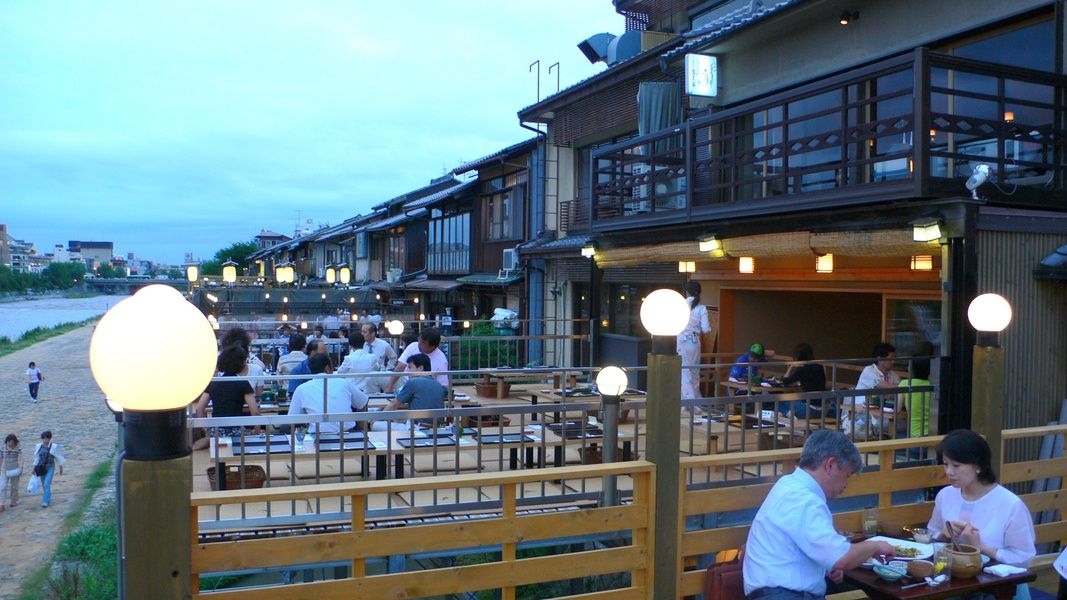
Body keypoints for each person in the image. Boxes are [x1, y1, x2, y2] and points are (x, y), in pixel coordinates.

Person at [744, 429, 895, 599]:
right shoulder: (805, 500)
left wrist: (825, 569)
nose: (845, 484)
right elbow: (841, 557)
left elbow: (805, 549)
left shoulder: (789, 484)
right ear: (830, 465)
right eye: (846, 476)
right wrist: (875, 545)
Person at [928, 430, 1035, 567]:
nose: (949, 471)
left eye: (956, 465)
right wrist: (942, 536)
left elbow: (1024, 557)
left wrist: (980, 548)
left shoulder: (1011, 504)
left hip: (996, 583)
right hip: (951, 573)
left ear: (978, 466)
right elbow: (932, 532)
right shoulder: (945, 495)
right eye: (945, 464)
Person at [192, 345, 262, 450]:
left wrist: (207, 430)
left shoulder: (215, 382)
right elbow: (255, 412)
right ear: (241, 363)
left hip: (216, 431)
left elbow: (199, 409)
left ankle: (210, 440)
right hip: (237, 431)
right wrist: (257, 433)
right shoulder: (242, 383)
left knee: (207, 442)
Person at [287, 353, 369, 434]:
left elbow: (292, 420)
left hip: (317, 439)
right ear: (328, 368)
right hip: (348, 435)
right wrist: (362, 430)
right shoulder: (344, 383)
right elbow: (363, 402)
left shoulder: (301, 388)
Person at [372, 353, 447, 431]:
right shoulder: (438, 385)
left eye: (410, 368)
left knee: (375, 424)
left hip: (416, 429)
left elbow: (394, 404)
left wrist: (378, 418)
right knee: (397, 419)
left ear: (420, 368)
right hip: (437, 429)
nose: (407, 371)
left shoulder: (413, 382)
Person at [845, 342, 900, 440]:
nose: (893, 362)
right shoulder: (869, 371)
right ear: (880, 359)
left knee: (899, 424)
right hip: (862, 415)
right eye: (890, 358)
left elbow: (899, 386)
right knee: (897, 426)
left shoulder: (891, 374)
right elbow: (887, 386)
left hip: (879, 413)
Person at [677, 281, 713, 408]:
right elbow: (706, 329)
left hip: (681, 340)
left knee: (684, 372)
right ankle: (694, 401)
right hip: (694, 341)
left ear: (686, 292)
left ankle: (688, 402)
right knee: (694, 372)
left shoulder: (680, 305)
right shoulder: (701, 308)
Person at [780, 342, 829, 419]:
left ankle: (790, 414)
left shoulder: (803, 369)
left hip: (807, 410)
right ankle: (790, 414)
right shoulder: (820, 367)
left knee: (780, 402)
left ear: (798, 356)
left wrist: (791, 367)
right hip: (821, 411)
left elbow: (785, 382)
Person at [898, 358, 932, 438]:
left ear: (911, 369)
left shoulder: (905, 384)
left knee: (892, 436)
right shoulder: (933, 385)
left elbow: (897, 409)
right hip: (933, 436)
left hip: (915, 438)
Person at [32, 431, 65, 509]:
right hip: (41, 468)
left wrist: (60, 466)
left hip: (50, 467)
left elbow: (58, 456)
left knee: (47, 483)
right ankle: (48, 497)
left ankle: (45, 501)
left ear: (50, 438)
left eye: (47, 438)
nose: (45, 440)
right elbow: (36, 458)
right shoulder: (38, 446)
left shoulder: (54, 446)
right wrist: (33, 468)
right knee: (44, 484)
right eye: (43, 438)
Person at [1, 434, 22, 508]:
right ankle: (1, 503)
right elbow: (1, 459)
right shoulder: (2, 448)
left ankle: (13, 501)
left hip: (15, 469)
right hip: (5, 469)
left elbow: (21, 458)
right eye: (9, 442)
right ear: (7, 441)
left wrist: (21, 467)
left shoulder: (17, 448)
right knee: (2, 486)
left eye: (12, 442)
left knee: (14, 487)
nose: (11, 444)